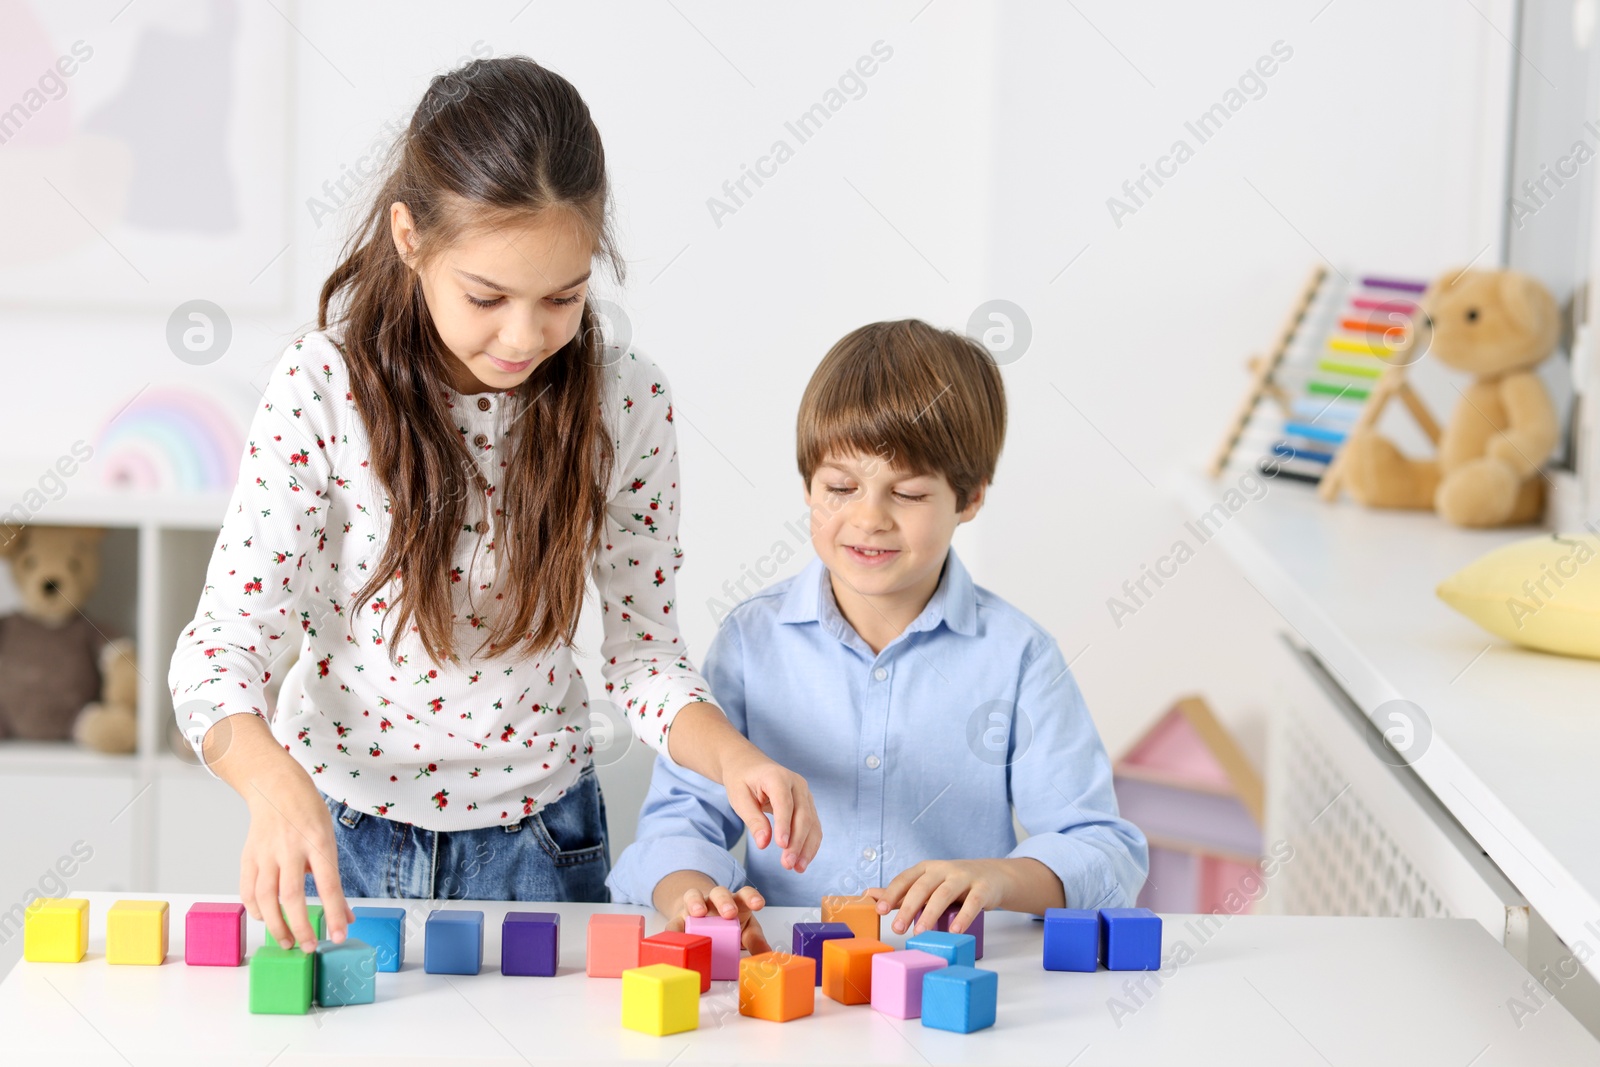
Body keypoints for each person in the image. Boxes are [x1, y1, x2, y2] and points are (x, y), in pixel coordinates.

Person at [168, 56, 818, 953]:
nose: (524, 337)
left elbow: (645, 658)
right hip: (340, 842)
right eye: (486, 295)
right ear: (408, 236)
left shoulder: (625, 403)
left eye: (563, 297)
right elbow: (218, 657)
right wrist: (273, 785)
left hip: (542, 850)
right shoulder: (321, 388)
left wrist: (733, 756)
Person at [606, 318, 1148, 951]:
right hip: (786, 977)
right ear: (808, 485)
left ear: (969, 498)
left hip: (950, 981)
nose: (868, 518)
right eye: (840, 487)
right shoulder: (753, 641)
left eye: (909, 493)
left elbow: (1105, 852)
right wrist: (692, 894)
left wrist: (997, 879)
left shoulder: (1018, 657)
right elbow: (680, 824)